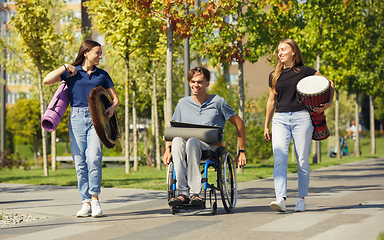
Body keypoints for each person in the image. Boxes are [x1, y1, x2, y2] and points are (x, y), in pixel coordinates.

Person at [43, 40, 119, 217]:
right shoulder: (72, 73)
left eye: (101, 53)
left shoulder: (103, 75)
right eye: (97, 53)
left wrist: (112, 108)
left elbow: (115, 99)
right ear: (86, 53)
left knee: (93, 158)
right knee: (79, 162)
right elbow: (46, 80)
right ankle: (85, 203)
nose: (100, 56)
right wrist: (64, 66)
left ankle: (95, 200)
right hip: (76, 117)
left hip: (96, 119)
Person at [264, 39, 334, 212]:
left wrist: (328, 103)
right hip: (279, 119)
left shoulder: (305, 71)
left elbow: (330, 83)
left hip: (301, 118)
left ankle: (301, 200)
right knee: (280, 159)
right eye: (278, 50)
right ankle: (280, 199)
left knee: (302, 160)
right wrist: (266, 125)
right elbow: (271, 101)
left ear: (293, 51)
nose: (279, 53)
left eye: (283, 49)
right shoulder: (274, 75)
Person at [162, 66, 246, 206]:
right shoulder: (183, 103)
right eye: (193, 81)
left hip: (210, 147)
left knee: (192, 142)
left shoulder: (218, 102)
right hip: (186, 146)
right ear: (189, 83)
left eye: (200, 82)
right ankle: (183, 192)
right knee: (177, 140)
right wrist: (168, 149)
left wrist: (241, 151)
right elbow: (176, 130)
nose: (196, 85)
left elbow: (240, 124)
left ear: (207, 83)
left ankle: (196, 193)